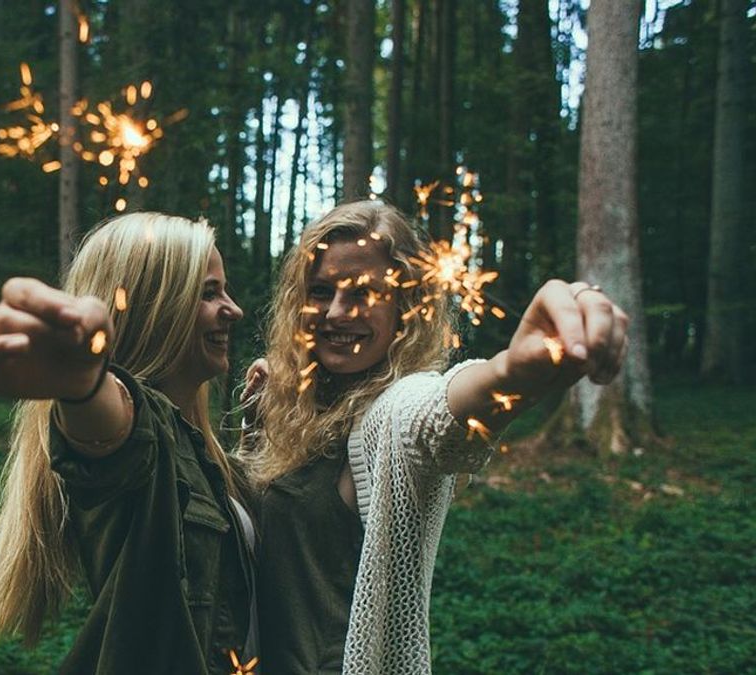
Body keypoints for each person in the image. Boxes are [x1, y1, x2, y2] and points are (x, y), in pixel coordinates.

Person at [238, 200, 628, 674]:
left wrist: (512, 371)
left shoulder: (393, 410)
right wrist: (263, 412)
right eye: (321, 290)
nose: (338, 312)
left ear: (406, 305)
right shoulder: (282, 401)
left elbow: (437, 417)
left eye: (364, 293)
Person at [0, 213, 257, 674]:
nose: (233, 310)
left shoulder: (197, 449)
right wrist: (83, 383)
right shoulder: (138, 431)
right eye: (208, 292)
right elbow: (112, 434)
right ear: (157, 304)